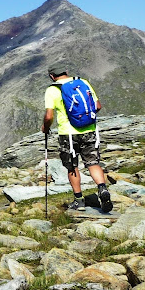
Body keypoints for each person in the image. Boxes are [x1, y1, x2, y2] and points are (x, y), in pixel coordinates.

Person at [42, 65, 112, 212]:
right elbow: (97, 106)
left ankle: (79, 200)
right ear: (66, 72)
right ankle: (102, 188)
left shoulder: (52, 90)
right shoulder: (83, 82)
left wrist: (45, 127)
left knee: (72, 166)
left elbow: (49, 116)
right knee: (93, 163)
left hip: (68, 133)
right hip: (89, 129)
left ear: (52, 76)